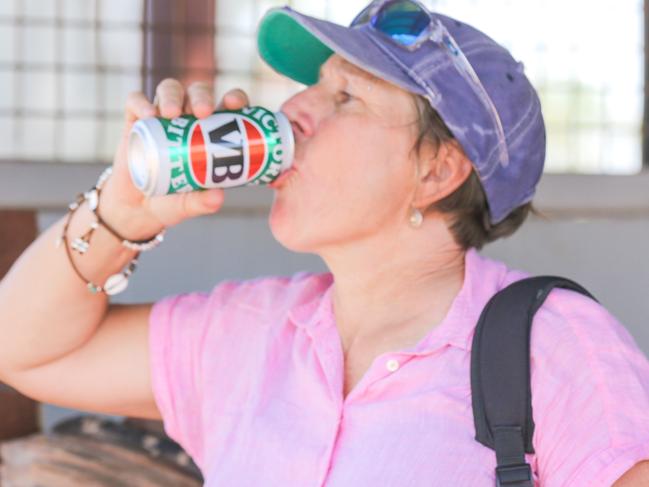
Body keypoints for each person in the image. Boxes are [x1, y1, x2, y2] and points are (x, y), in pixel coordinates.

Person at [0, 1, 648, 485]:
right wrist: (122, 209)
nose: (294, 112)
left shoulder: (556, 344)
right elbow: (24, 349)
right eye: (311, 87)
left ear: (436, 171)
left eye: (346, 97)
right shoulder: (248, 332)